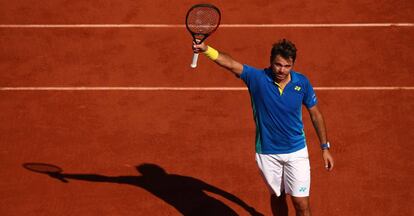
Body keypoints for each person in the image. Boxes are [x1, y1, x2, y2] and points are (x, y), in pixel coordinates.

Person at [192, 39, 334, 216]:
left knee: (301, 202)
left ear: (293, 65)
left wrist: (324, 147)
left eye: (287, 66)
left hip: (296, 152)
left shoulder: (302, 83)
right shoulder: (257, 78)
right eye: (278, 65)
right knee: (277, 196)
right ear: (270, 61)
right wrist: (206, 49)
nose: (282, 70)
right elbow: (229, 63)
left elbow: (316, 114)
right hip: (267, 153)